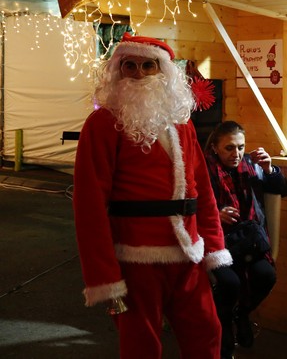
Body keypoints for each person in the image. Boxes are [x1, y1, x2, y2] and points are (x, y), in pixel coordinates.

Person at [72, 33, 231, 359]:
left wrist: (214, 248)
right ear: (118, 71)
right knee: (140, 345)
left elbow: (202, 192)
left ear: (164, 73)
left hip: (186, 253)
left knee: (207, 330)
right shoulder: (102, 124)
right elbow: (89, 204)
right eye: (130, 66)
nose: (139, 74)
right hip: (134, 257)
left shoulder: (182, 126)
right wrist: (104, 276)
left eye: (148, 65)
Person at [204, 121, 287, 359]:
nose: (237, 154)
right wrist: (215, 214)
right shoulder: (204, 170)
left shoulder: (250, 166)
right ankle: (224, 343)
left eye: (241, 147)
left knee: (266, 275)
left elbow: (281, 189)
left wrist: (270, 169)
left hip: (248, 240)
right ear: (215, 148)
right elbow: (192, 204)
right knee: (229, 284)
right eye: (229, 148)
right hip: (218, 241)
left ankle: (240, 314)